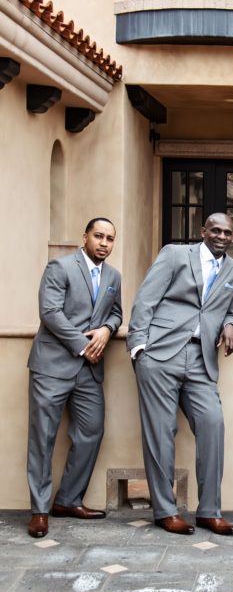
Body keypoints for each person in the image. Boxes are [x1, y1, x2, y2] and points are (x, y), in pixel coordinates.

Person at [127, 213, 233, 535]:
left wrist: (231, 325)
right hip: (161, 353)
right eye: (216, 230)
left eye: (228, 233)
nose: (222, 236)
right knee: (160, 434)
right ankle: (165, 511)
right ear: (203, 231)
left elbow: (230, 310)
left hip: (201, 358)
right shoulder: (176, 254)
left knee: (213, 424)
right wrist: (138, 347)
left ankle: (209, 511)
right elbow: (145, 299)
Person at [26, 218, 122, 539]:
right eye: (98, 236)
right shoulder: (61, 267)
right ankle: (40, 510)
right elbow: (50, 312)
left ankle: (67, 499)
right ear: (85, 237)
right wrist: (84, 346)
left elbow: (116, 313)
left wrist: (107, 330)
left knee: (92, 432)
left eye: (109, 238)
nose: (104, 243)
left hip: (89, 373)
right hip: (53, 365)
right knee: (44, 439)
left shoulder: (113, 276)